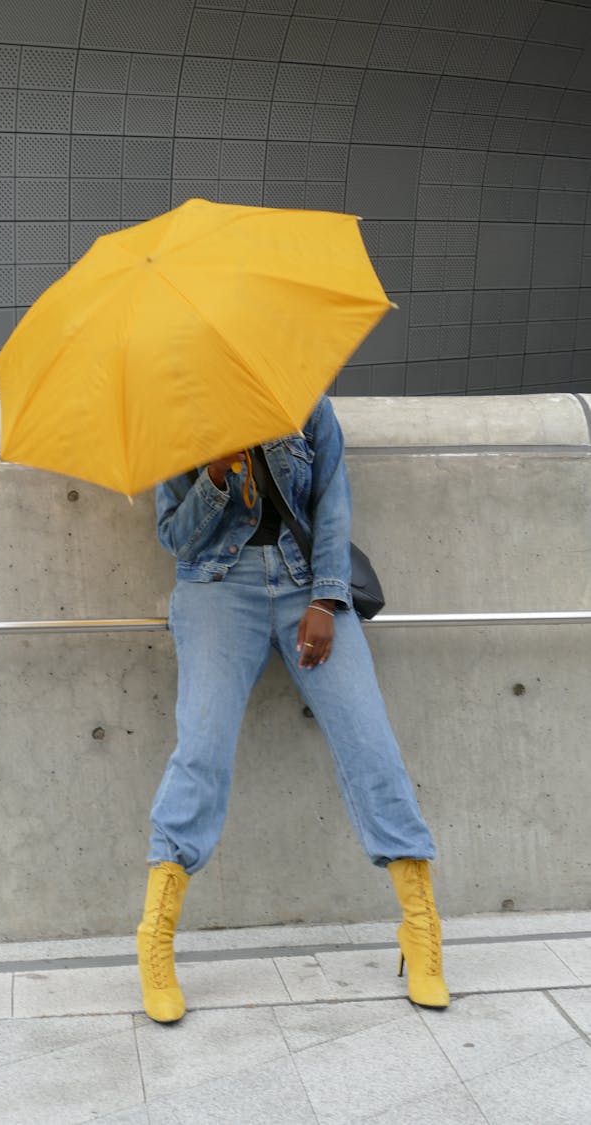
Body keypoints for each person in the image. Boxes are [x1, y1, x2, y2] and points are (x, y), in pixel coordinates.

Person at [136, 394, 449, 1023]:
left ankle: (420, 929)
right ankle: (156, 941)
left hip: (306, 584)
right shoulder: (178, 414)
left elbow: (332, 505)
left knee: (371, 745)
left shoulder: (305, 402)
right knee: (201, 750)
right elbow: (176, 537)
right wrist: (218, 474)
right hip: (217, 590)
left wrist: (327, 600)